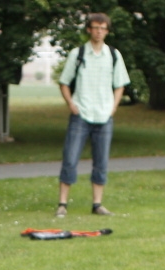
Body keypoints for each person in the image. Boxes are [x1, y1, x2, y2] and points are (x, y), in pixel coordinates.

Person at [55, 13, 130, 219]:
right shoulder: (78, 54)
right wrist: (71, 103)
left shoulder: (113, 55)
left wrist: (113, 107)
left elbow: (120, 85)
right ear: (89, 29)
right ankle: (62, 204)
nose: (99, 31)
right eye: (95, 27)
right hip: (81, 113)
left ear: (107, 31)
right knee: (70, 158)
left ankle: (97, 204)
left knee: (101, 161)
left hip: (104, 115)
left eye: (103, 28)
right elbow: (64, 82)